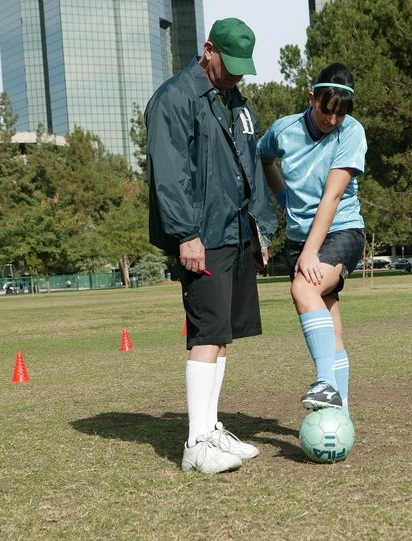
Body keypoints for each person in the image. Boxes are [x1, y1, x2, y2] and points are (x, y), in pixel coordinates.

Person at [145, 17, 277, 475]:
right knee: (206, 335)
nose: (237, 74)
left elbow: (251, 168)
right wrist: (186, 233)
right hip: (202, 234)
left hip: (236, 232)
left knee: (222, 336)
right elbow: (170, 173)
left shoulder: (237, 103)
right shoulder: (175, 98)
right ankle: (195, 444)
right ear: (208, 50)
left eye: (244, 67)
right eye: (231, 64)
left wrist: (261, 226)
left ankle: (212, 426)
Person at [259, 63, 367, 417]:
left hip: (342, 230)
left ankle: (325, 384)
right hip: (300, 238)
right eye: (326, 108)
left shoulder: (352, 132)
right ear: (311, 98)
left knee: (304, 290)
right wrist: (282, 198)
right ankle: (342, 415)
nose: (333, 119)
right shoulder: (283, 130)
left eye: (341, 111)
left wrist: (309, 253)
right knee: (329, 317)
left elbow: (332, 198)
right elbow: (263, 156)